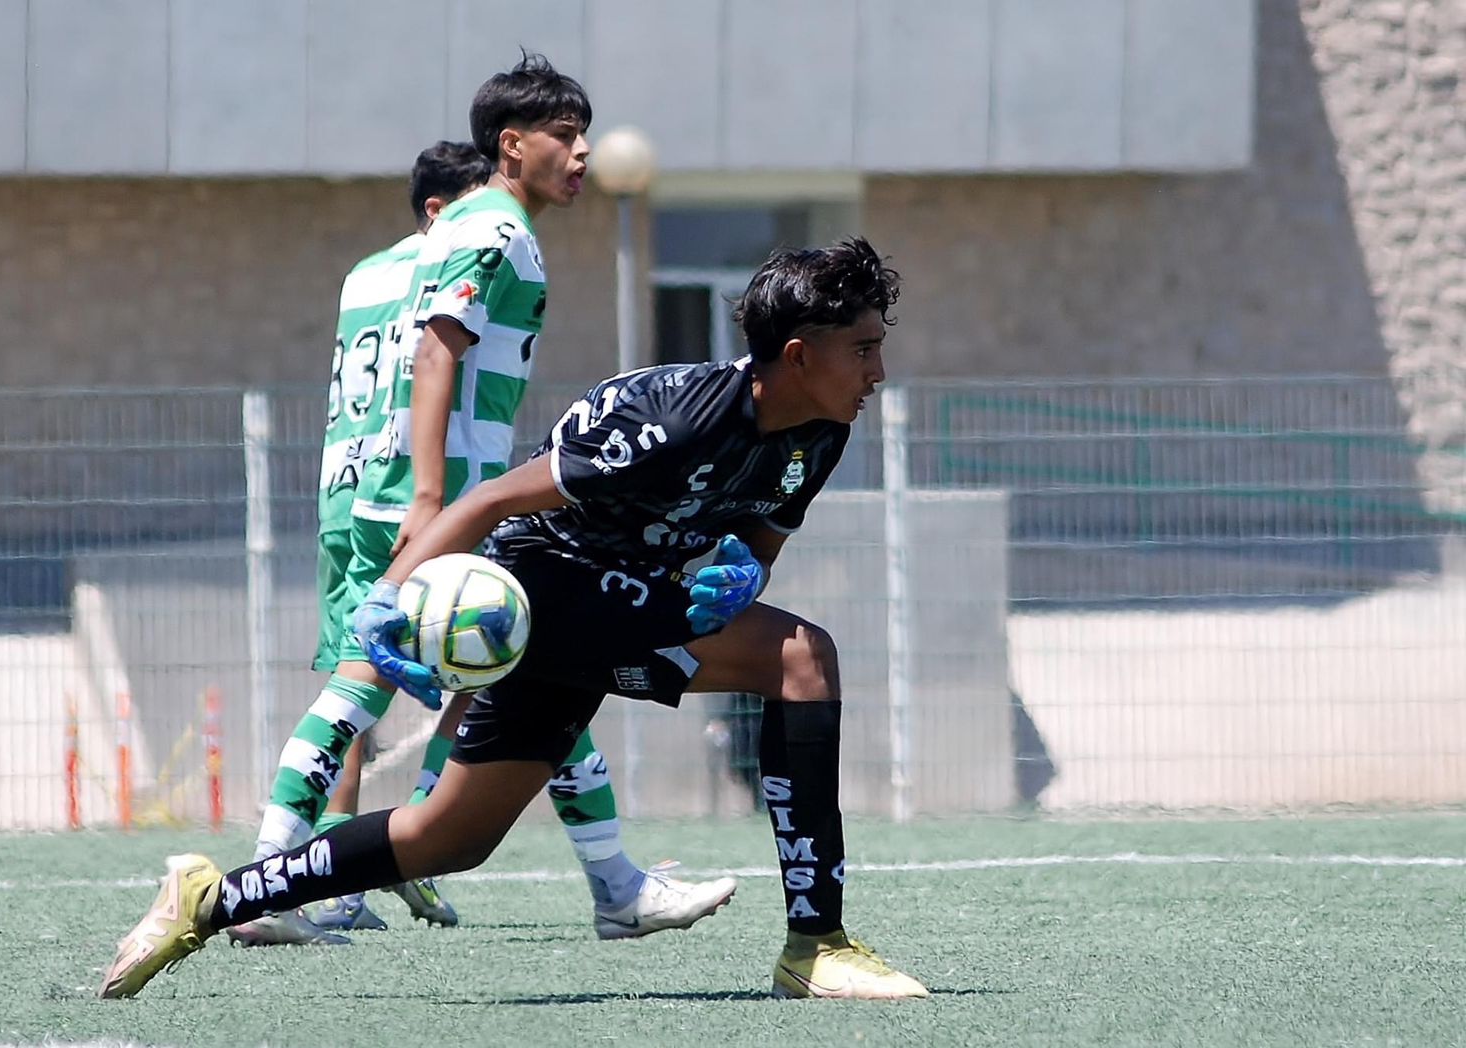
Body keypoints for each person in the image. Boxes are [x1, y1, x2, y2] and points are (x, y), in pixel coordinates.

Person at [100, 236, 930, 1001]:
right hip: (541, 588)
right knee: (801, 658)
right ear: (798, 354)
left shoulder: (819, 432)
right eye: (864, 349)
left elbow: (757, 543)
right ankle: (815, 944)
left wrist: (741, 576)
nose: (878, 371)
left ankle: (212, 898)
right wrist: (388, 597)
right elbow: (495, 498)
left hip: (613, 604)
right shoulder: (667, 417)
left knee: (445, 840)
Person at [242, 53, 734, 944]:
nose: (582, 153)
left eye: (585, 136)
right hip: (437, 498)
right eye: (565, 136)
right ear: (511, 145)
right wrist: (434, 497)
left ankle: (613, 885)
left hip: (391, 492)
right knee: (361, 691)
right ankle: (270, 886)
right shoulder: (493, 229)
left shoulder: (444, 233)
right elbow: (438, 354)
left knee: (528, 670)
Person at [237, 139, 492, 945]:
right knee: (496, 658)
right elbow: (432, 367)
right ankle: (407, 839)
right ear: (439, 209)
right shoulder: (444, 264)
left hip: (344, 491)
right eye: (480, 199)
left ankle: (333, 878)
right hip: (413, 496)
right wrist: (431, 489)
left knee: (354, 683)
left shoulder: (364, 271)